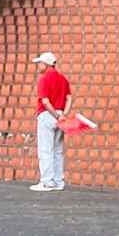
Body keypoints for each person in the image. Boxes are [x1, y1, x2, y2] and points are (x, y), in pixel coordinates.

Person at [30, 51, 71, 192]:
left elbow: (45, 101)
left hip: (48, 115)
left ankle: (47, 182)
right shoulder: (63, 79)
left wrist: (55, 115)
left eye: (39, 63)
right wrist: (63, 114)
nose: (38, 66)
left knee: (45, 149)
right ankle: (58, 181)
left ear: (46, 64)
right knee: (58, 150)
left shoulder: (43, 79)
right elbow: (69, 98)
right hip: (60, 113)